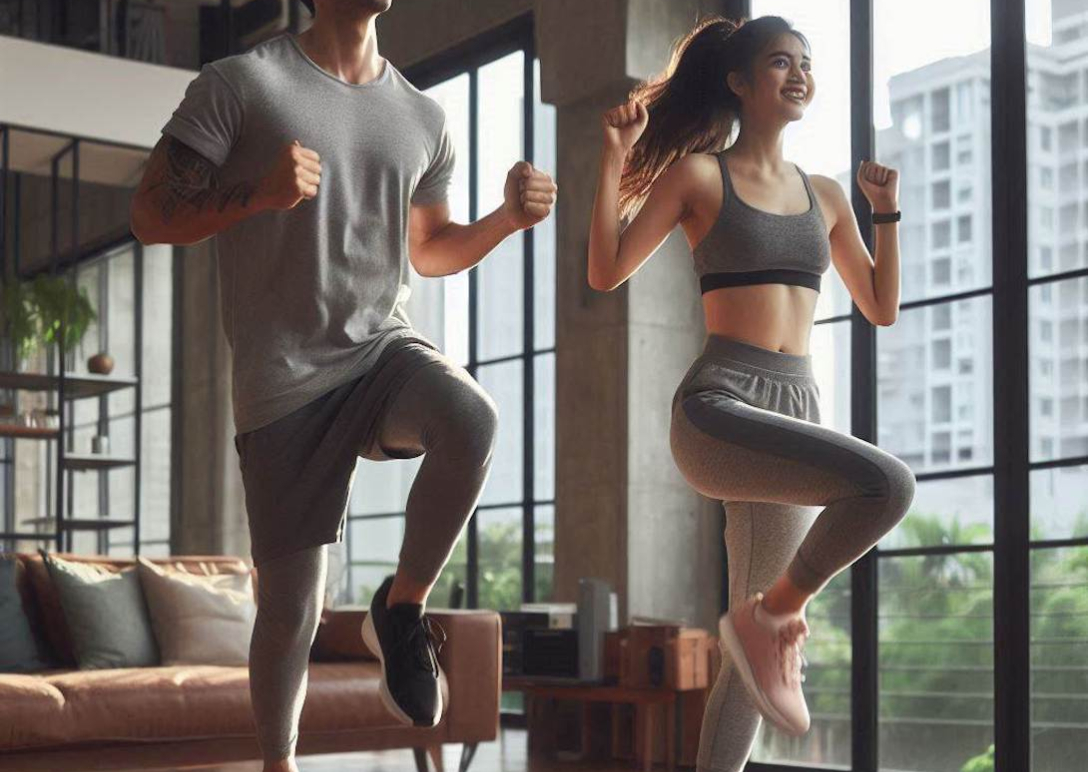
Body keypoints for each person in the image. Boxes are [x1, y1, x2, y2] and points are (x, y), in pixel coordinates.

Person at [129, 0, 556, 769]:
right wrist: (257, 193)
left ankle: (402, 610)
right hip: (282, 380)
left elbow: (427, 251)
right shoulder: (241, 84)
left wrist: (502, 221)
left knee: (472, 418)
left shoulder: (422, 116)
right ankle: (278, 762)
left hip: (381, 354)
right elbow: (151, 213)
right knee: (292, 609)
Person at [587, 14, 915, 772]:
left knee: (745, 665)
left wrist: (886, 214)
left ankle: (762, 624)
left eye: (806, 63)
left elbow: (881, 305)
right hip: (720, 410)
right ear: (739, 82)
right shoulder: (700, 175)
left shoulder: (826, 194)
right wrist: (612, 159)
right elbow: (605, 272)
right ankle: (776, 616)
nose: (799, 74)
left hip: (796, 409)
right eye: (779, 62)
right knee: (886, 485)